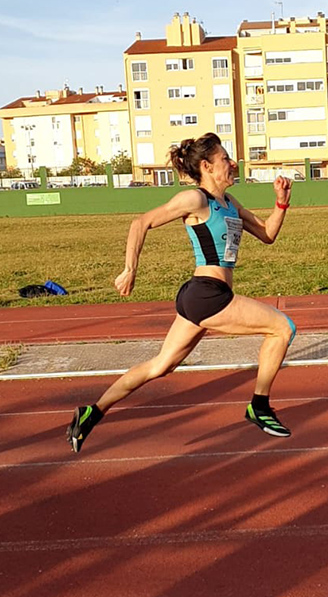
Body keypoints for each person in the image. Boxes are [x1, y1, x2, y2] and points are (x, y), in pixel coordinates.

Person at [66, 132, 296, 453]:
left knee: (161, 366)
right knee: (282, 328)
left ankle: (92, 411)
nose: (232, 164)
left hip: (199, 297)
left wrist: (281, 202)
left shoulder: (230, 203)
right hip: (208, 294)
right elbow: (141, 223)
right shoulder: (195, 199)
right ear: (207, 167)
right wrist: (130, 269)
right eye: (225, 159)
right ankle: (259, 406)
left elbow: (267, 234)